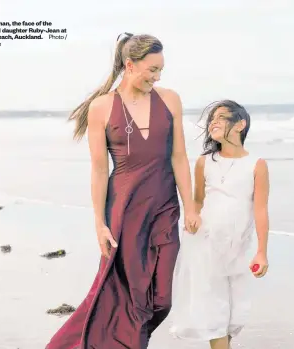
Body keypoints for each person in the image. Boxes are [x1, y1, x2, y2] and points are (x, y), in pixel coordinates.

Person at [45, 32, 200, 349]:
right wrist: (99, 224)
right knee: (128, 293)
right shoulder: (101, 107)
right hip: (124, 210)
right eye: (152, 70)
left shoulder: (170, 99)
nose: (157, 77)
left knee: (162, 299)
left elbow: (179, 156)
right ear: (130, 65)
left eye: (160, 71)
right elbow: (100, 170)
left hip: (165, 206)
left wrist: (192, 206)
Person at [169, 100, 270, 349]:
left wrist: (261, 251)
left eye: (222, 117)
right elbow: (198, 201)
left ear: (240, 124)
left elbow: (260, 210)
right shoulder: (205, 162)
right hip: (207, 243)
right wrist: (191, 215)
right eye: (212, 118)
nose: (213, 121)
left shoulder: (256, 164)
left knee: (234, 313)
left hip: (237, 246)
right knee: (215, 311)